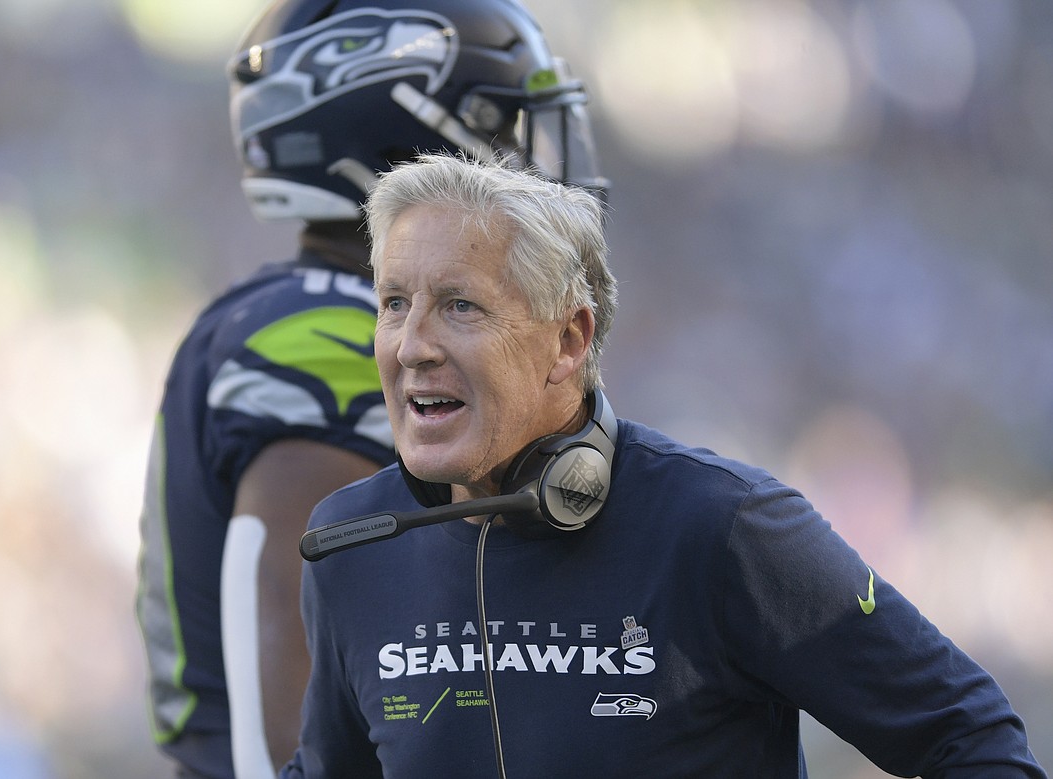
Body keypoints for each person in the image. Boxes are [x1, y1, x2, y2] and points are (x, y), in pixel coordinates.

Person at [281, 152, 1047, 778]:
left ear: (570, 340)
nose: (412, 344)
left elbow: (972, 743)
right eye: (392, 303)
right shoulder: (353, 543)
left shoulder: (725, 527)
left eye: (460, 306)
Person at [133, 0, 607, 777]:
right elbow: (294, 701)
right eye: (505, 132)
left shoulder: (292, 309)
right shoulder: (325, 333)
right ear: (414, 149)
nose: (532, 168)